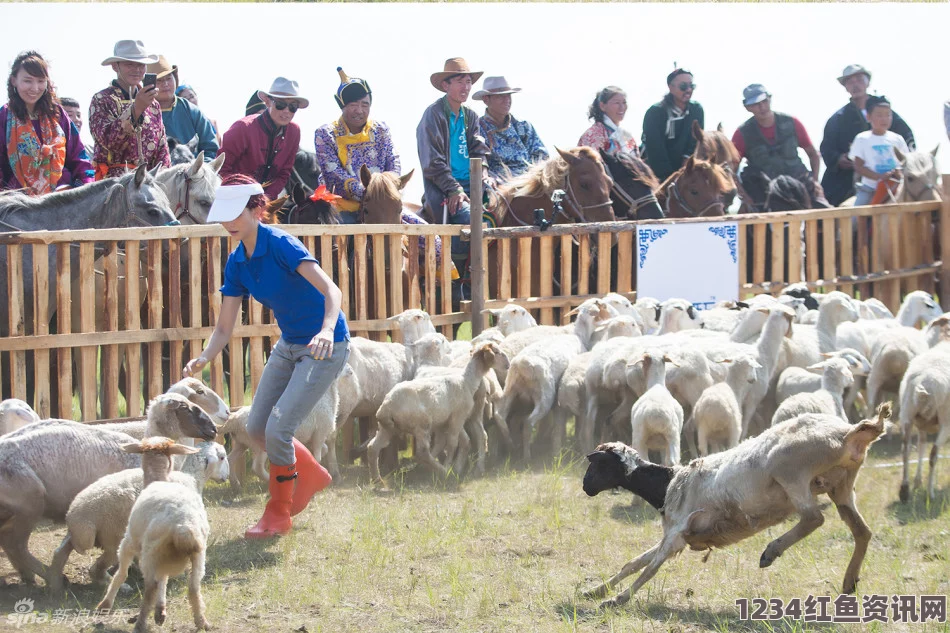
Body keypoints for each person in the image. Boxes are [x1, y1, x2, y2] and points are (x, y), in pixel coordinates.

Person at [182, 173, 349, 539]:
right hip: (289, 345)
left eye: (234, 214)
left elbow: (331, 290)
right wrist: (205, 356)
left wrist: (325, 329)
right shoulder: (237, 262)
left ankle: (279, 512)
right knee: (256, 427)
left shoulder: (281, 244)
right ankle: (310, 475)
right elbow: (224, 327)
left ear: (257, 209)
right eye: (223, 215)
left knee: (278, 429)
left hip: (325, 344)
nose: (227, 223)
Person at [416, 57, 490, 271]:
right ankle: (458, 276)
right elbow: (432, 162)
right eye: (460, 81)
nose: (466, 87)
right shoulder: (433, 114)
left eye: (468, 82)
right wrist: (453, 188)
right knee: (468, 217)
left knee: (506, 210)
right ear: (445, 85)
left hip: (474, 184)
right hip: (444, 189)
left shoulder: (471, 116)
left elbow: (478, 150)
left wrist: (484, 172)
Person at [313, 67, 400, 224]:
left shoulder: (381, 130)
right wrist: (371, 194)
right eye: (353, 104)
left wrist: (387, 192)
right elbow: (333, 176)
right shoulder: (325, 134)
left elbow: (393, 162)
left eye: (365, 105)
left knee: (432, 240)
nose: (359, 110)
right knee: (342, 244)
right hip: (343, 207)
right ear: (342, 106)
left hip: (384, 205)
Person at [819, 64, 915, 206]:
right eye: (850, 82)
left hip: (891, 178)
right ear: (845, 87)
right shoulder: (838, 119)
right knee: (837, 210)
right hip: (849, 180)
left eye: (859, 79)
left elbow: (908, 142)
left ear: (868, 82)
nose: (855, 85)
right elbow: (826, 148)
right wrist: (839, 159)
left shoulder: (888, 115)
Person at [1, 51, 93, 194]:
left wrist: (86, 187)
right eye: (27, 81)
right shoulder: (4, 116)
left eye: (40, 81)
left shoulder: (57, 114)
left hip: (62, 197)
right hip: (19, 202)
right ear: (14, 80)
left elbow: (78, 157)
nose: (35, 88)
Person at [731, 84, 822, 211]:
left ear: (770, 98)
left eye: (764, 101)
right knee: (747, 224)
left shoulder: (792, 122)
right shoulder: (742, 134)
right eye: (755, 104)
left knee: (826, 214)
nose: (761, 107)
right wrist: (744, 196)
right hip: (762, 193)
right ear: (747, 107)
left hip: (799, 186)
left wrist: (815, 181)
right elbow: (730, 170)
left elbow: (813, 154)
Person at [89, 40, 170, 180]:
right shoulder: (102, 99)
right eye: (129, 64)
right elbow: (108, 141)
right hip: (114, 183)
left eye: (140, 65)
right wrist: (136, 109)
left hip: (149, 182)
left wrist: (162, 178)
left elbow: (162, 147)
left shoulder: (154, 104)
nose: (136, 69)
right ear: (115, 66)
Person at [218, 77, 308, 200]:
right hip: (233, 197)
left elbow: (284, 173)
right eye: (281, 104)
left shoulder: (294, 132)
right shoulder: (242, 128)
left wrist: (266, 198)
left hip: (266, 202)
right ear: (267, 102)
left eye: (293, 107)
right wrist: (244, 195)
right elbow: (222, 169)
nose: (287, 111)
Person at [474, 76, 548, 183]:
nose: (507, 100)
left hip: (529, 183)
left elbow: (542, 156)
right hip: (499, 186)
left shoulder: (523, 127)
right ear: (486, 99)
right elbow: (478, 161)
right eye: (500, 97)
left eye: (508, 96)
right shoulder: (478, 130)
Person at [145, 56, 218, 162]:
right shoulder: (142, 111)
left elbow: (210, 148)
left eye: (168, 78)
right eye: (159, 80)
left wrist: (199, 170)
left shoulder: (192, 111)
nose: (165, 84)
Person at [640, 69, 704, 182]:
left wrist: (687, 164)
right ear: (671, 87)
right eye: (683, 86)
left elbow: (696, 141)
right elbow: (655, 148)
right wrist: (669, 178)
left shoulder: (696, 110)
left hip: (686, 169)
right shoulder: (656, 112)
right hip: (656, 173)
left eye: (692, 86)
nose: (688, 90)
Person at [848, 98, 908, 206]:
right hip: (870, 188)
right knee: (856, 218)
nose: (884, 119)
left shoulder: (897, 139)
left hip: (896, 186)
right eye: (879, 115)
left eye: (888, 115)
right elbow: (858, 166)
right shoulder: (862, 139)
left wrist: (898, 172)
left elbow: (906, 163)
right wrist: (879, 177)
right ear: (868, 117)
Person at [578, 86, 639, 158]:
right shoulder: (593, 135)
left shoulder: (627, 136)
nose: (622, 107)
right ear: (602, 106)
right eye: (617, 103)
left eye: (624, 102)